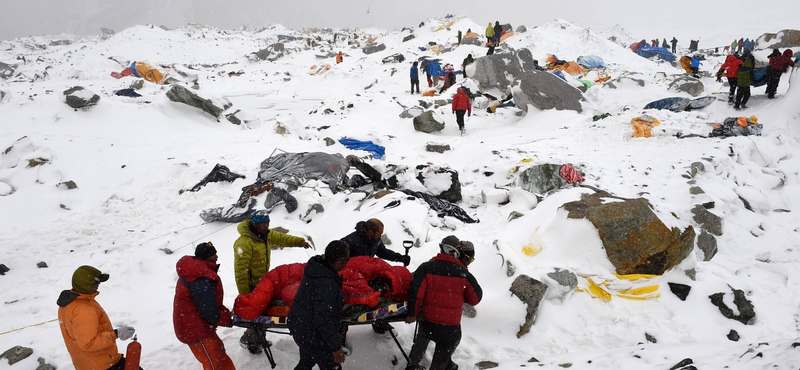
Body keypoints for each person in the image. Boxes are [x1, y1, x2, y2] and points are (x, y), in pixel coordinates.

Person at [234, 209, 312, 353]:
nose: (266, 226)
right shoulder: (244, 243)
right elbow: (240, 271)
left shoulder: (266, 235)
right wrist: (245, 294)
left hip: (263, 282)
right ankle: (249, 340)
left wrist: (299, 242)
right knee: (257, 312)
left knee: (264, 311)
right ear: (255, 225)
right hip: (251, 284)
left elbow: (282, 238)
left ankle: (257, 337)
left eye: (267, 223)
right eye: (262, 224)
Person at [405, 236, 482, 370]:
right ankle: (442, 365)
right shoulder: (463, 274)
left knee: (422, 338)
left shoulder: (427, 267)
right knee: (445, 349)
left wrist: (412, 314)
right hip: (450, 328)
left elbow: (415, 292)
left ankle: (413, 364)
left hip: (428, 322)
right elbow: (475, 298)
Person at [58, 265, 140, 370]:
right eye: (96, 283)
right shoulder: (84, 309)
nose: (98, 285)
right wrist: (116, 334)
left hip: (89, 363)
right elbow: (88, 343)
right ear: (86, 285)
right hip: (102, 364)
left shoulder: (71, 302)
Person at [288, 240, 351, 370]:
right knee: (332, 366)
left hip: (301, 327)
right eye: (347, 259)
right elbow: (323, 318)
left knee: (307, 361)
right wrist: (335, 347)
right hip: (311, 333)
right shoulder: (326, 282)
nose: (348, 263)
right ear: (339, 261)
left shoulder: (317, 268)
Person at [173, 243, 235, 370]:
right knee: (214, 363)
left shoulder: (199, 273)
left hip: (201, 327)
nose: (217, 256)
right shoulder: (199, 279)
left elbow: (210, 303)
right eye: (213, 254)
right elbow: (208, 311)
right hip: (195, 330)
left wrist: (226, 313)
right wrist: (228, 319)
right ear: (206, 257)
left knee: (220, 356)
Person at [340, 218, 409, 266]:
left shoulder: (375, 240)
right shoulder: (349, 241)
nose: (380, 236)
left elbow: (383, 252)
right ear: (370, 232)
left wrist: (400, 258)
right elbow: (339, 262)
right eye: (379, 234)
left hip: (367, 271)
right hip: (352, 276)